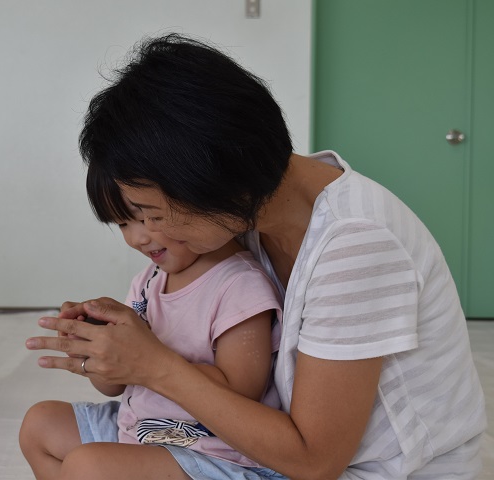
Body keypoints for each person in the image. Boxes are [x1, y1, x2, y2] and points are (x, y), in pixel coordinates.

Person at [25, 34, 487, 479]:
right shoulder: (248, 212)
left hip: (360, 470)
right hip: (243, 436)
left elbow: (315, 463)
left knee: (93, 469)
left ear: (209, 182)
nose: (149, 235)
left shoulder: (356, 244)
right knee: (46, 430)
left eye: (153, 214)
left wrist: (152, 365)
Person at [20, 177, 284, 480]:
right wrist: (94, 352)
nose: (138, 238)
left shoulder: (239, 284)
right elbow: (114, 387)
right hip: (140, 430)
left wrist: (148, 358)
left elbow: (242, 392)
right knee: (40, 424)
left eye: (147, 218)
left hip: (217, 454)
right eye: (123, 224)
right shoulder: (149, 280)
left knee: (88, 466)